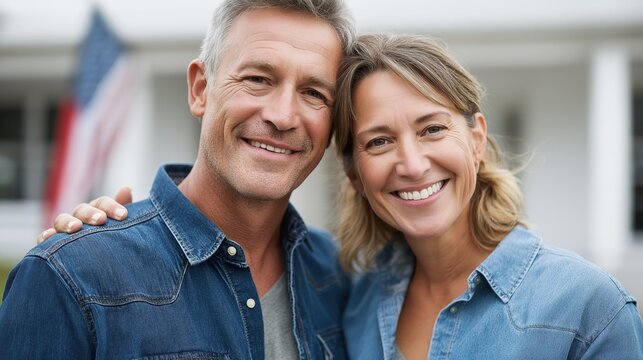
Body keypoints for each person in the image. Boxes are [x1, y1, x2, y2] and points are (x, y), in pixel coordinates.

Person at [37, 34, 643, 359]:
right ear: (351, 170)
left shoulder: (588, 311)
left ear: (476, 137)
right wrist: (87, 247)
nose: (411, 163)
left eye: (433, 128)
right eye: (379, 141)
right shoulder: (354, 291)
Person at [0, 0, 355, 358]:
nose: (282, 116)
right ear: (200, 89)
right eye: (257, 79)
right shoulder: (72, 276)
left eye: (313, 93)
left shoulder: (342, 276)